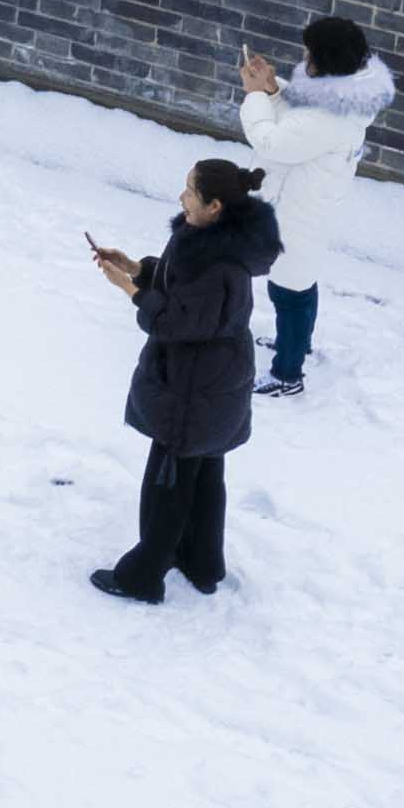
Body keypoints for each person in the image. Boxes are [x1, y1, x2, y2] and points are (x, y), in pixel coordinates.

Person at [87, 160, 281, 602]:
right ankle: (201, 561)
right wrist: (139, 269)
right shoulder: (208, 242)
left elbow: (177, 321)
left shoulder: (222, 266)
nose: (181, 197)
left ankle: (141, 576)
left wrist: (131, 291)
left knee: (168, 483)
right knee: (205, 472)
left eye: (190, 191)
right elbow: (182, 288)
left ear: (213, 206)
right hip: (209, 384)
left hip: (195, 390)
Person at [235, 16, 395, 397]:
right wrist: (273, 89)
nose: (303, 56)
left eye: (308, 52)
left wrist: (255, 95)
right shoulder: (341, 97)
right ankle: (297, 345)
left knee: (289, 292)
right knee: (299, 286)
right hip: (308, 210)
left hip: (297, 217)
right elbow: (301, 114)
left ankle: (287, 374)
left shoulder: (330, 118)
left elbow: (273, 141)